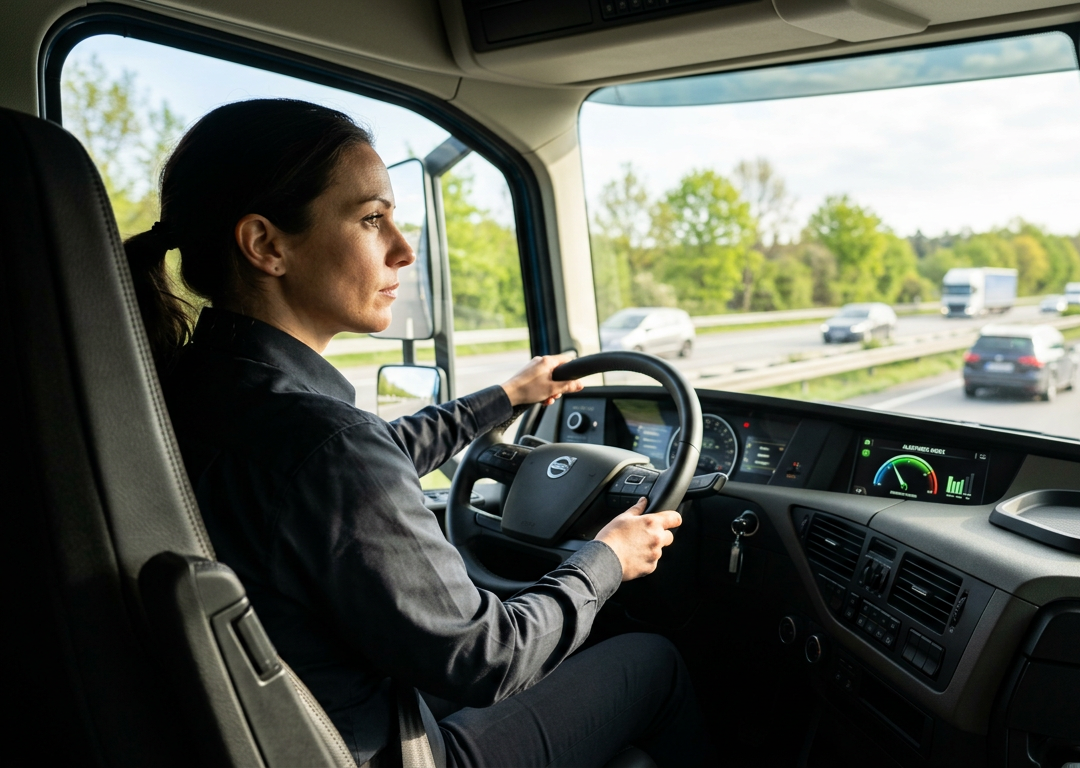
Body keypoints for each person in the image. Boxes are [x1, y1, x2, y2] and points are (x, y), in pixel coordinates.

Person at [123, 98, 704, 767]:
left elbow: (369, 459)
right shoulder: (323, 444)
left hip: (297, 728)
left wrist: (508, 397)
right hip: (389, 752)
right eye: (373, 218)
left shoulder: (197, 386)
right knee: (651, 658)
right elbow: (491, 656)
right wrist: (607, 559)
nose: (404, 248)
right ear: (266, 245)